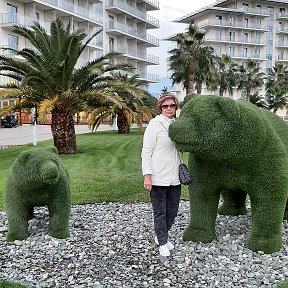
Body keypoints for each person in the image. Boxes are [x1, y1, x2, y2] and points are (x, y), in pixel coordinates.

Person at [141, 93, 181, 257]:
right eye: (165, 106)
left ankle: (161, 235)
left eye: (172, 105)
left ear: (176, 107)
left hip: (175, 176)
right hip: (158, 177)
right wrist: (147, 175)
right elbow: (146, 151)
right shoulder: (154, 125)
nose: (169, 108)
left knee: (172, 210)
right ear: (160, 108)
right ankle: (162, 241)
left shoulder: (178, 125)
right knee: (160, 211)